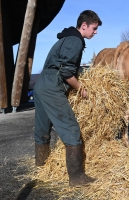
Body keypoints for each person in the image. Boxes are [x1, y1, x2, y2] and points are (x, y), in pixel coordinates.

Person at [33, 10, 102, 187]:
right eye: (94, 28)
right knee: (71, 128)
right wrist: (81, 88)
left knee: (42, 128)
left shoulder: (65, 38)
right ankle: (77, 178)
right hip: (51, 87)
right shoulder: (75, 40)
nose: (96, 32)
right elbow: (66, 72)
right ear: (84, 25)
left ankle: (41, 167)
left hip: (41, 85)